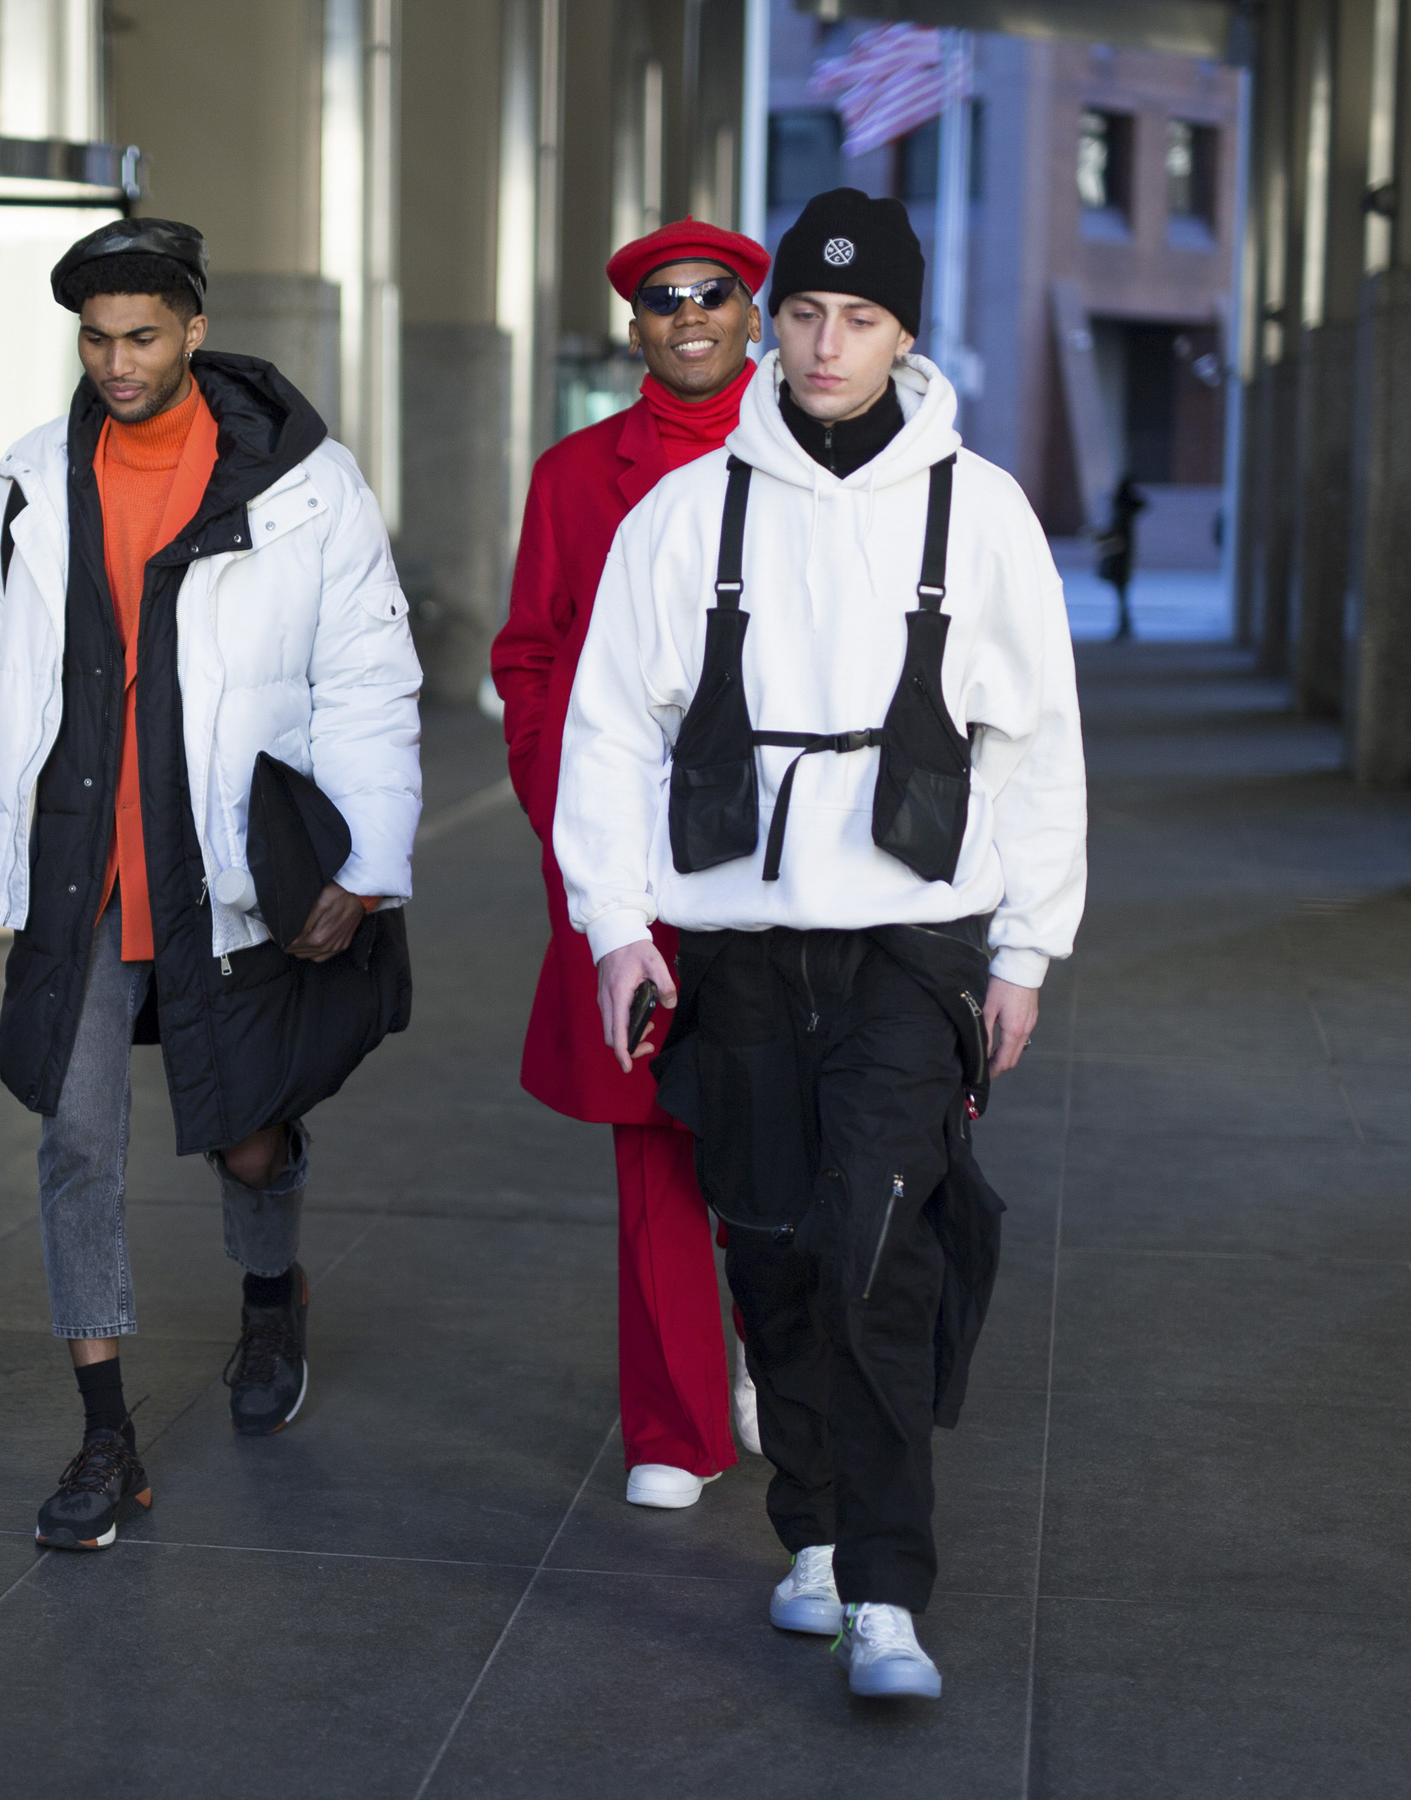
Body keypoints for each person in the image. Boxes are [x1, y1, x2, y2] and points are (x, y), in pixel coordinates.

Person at [555, 188, 1086, 1700]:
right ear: (772, 325)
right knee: (776, 1247)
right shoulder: (687, 512)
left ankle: (887, 1587)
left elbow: (1038, 742)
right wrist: (615, 925)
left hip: (913, 942)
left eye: (859, 318)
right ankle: (816, 1532)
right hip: (737, 943)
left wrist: (1028, 950)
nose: (826, 345)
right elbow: (610, 728)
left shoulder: (980, 511)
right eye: (802, 314)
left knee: (879, 1245)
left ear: (905, 333)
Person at [0, 218, 422, 1552]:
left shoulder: (304, 483)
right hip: (83, 865)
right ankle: (105, 1434)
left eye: (143, 337)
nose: (117, 363)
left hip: (230, 854)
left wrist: (365, 862)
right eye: (97, 340)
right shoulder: (30, 480)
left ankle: (271, 1297)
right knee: (76, 1138)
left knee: (247, 1130)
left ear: (196, 331)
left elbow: (368, 672)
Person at [492, 218, 767, 1512]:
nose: (690, 313)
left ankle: (771, 1349)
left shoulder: (813, 456)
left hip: (777, 850)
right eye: (665, 299)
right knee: (651, 1132)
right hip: (625, 851)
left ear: (754, 314)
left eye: (715, 292)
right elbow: (529, 655)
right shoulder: (574, 474)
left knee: (773, 1117)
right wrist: (562, 801)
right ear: (637, 326)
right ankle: (675, 1423)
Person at [1098, 474, 1147, 641]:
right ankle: (1125, 625)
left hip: (1118, 556)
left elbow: (1116, 534)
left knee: (1121, 593)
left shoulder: (1122, 511)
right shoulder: (1125, 511)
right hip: (1121, 556)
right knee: (1122, 593)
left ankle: (1124, 625)